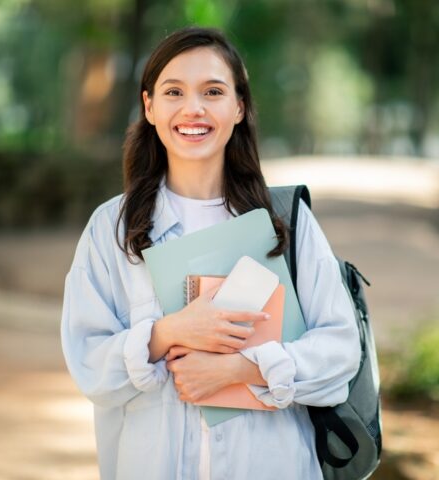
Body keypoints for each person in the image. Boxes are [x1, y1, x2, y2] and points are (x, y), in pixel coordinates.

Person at [61, 26, 360, 480]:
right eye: (174, 91)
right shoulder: (113, 229)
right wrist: (168, 333)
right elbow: (89, 364)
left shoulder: (285, 223)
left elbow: (340, 353)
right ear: (149, 106)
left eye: (213, 91)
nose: (193, 109)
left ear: (239, 107)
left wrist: (241, 369)